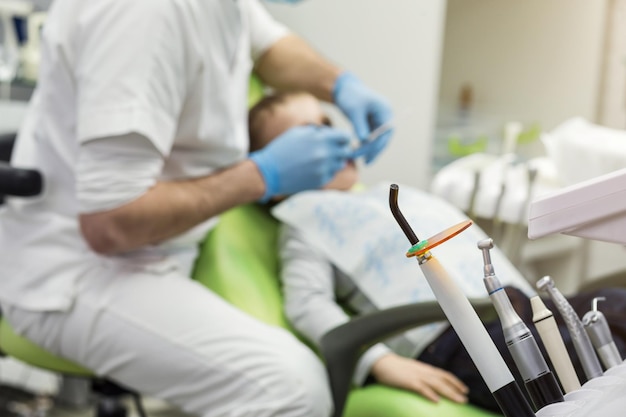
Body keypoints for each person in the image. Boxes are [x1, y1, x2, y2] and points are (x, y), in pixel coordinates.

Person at [0, 1, 394, 416]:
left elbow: (269, 45)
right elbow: (109, 224)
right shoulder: (140, 15)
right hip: (79, 272)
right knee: (294, 391)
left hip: (154, 247)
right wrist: (264, 175)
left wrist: (340, 83)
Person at [248, 91, 626, 413]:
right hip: (454, 339)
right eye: (305, 136)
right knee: (588, 369)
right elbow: (307, 304)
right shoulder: (302, 221)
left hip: (516, 307)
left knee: (613, 304)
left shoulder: (385, 194)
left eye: (326, 125)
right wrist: (381, 361)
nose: (327, 140)